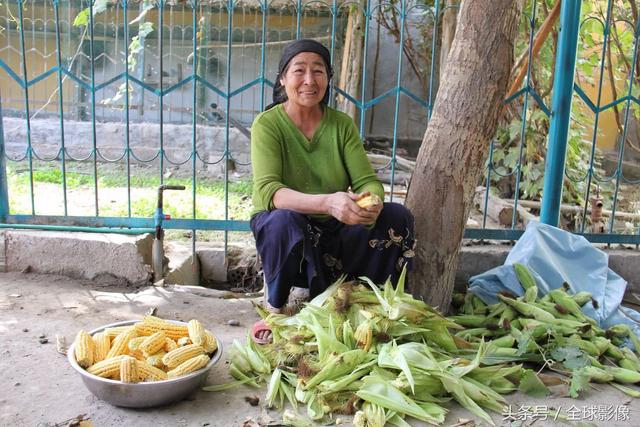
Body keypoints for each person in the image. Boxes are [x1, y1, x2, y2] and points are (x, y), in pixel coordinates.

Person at [250, 39, 415, 343]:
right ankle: (275, 308)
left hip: (336, 232)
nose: (309, 80)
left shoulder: (341, 125)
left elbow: (367, 180)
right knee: (282, 221)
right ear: (283, 78)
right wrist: (327, 202)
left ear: (328, 78)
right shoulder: (268, 125)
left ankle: (368, 303)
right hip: (293, 238)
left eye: (319, 71)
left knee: (396, 216)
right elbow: (269, 193)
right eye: (299, 71)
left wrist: (371, 202)